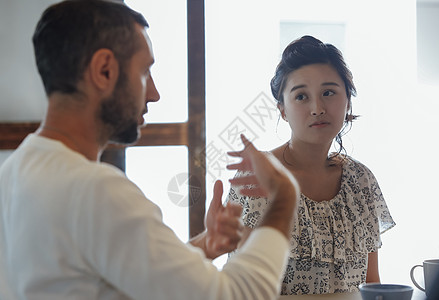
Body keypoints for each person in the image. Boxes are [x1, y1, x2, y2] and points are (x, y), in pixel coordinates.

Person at [0, 1, 300, 299]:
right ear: (104, 71)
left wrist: (205, 246)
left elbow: (103, 273)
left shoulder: (15, 169)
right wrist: (285, 195)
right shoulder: (93, 189)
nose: (154, 94)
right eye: (145, 71)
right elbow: (238, 294)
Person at [226, 35, 396, 295]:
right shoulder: (258, 174)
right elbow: (242, 287)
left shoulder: (360, 179)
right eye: (301, 96)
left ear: (348, 100)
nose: (317, 108)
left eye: (328, 92)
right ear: (282, 110)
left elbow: (372, 284)